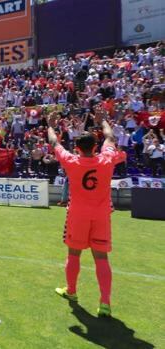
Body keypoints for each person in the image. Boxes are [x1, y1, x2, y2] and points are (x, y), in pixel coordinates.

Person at [47, 111, 126, 317]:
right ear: (95, 147)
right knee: (101, 257)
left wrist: (50, 125)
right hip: (101, 215)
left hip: (77, 215)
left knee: (74, 253)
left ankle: (72, 291)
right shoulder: (106, 158)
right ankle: (105, 303)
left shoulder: (72, 161)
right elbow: (110, 137)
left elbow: (54, 143)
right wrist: (102, 121)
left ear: (77, 149)